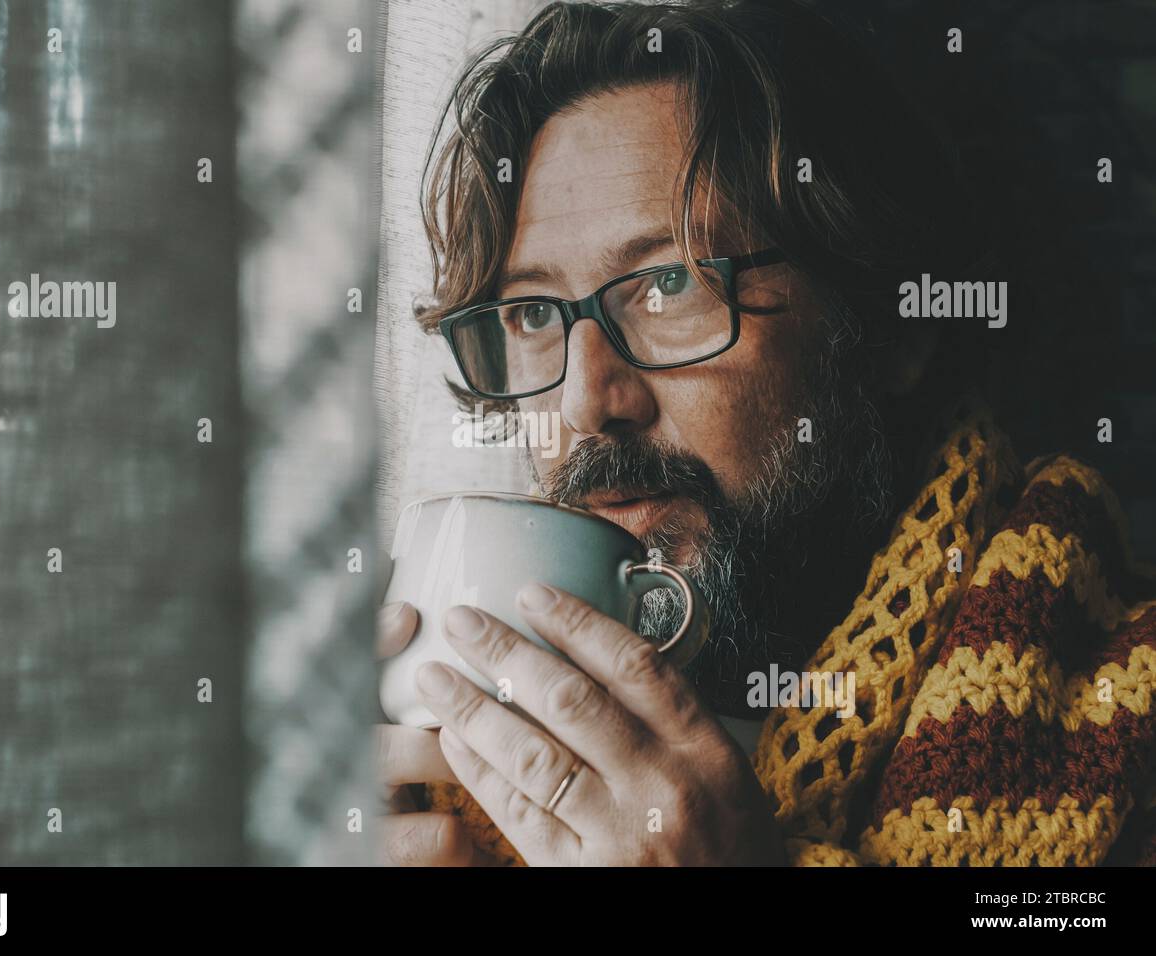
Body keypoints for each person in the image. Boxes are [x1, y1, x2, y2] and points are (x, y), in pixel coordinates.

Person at [374, 0, 1156, 866]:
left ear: (889, 326)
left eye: (669, 285)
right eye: (531, 315)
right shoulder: (430, 792)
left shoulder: (1130, 720)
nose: (589, 402)